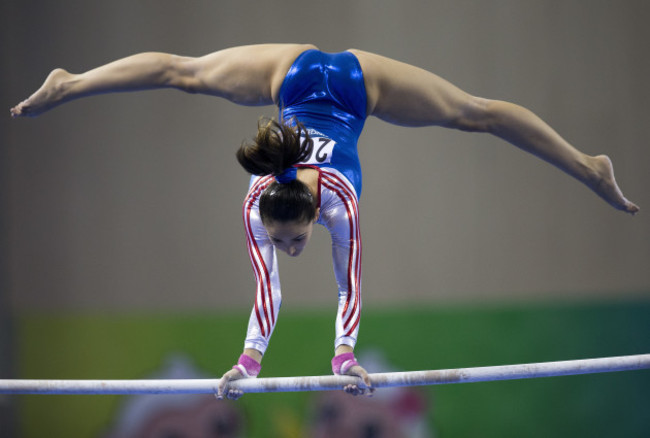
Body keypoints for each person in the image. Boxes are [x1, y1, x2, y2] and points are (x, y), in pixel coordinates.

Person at [10, 43, 639, 400]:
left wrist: (344, 357)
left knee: (474, 114)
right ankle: (70, 83)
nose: (286, 247)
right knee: (183, 74)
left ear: (316, 213)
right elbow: (267, 289)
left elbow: (349, 283)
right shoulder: (259, 208)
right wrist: (247, 363)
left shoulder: (339, 204)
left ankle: (588, 166)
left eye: (291, 240)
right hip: (310, 78)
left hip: (347, 85)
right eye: (283, 240)